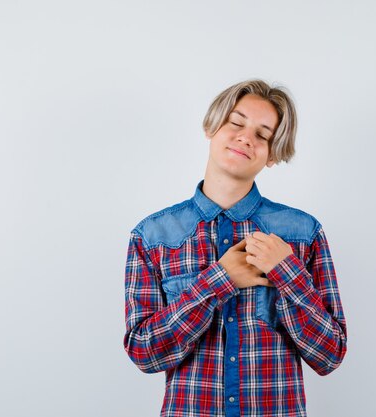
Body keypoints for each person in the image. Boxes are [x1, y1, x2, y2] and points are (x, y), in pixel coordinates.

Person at [123, 79, 347, 417]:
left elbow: (329, 355)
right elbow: (145, 354)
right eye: (236, 123)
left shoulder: (302, 233)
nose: (246, 137)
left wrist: (287, 273)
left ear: (273, 155)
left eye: (263, 134)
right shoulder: (153, 236)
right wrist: (219, 279)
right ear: (212, 127)